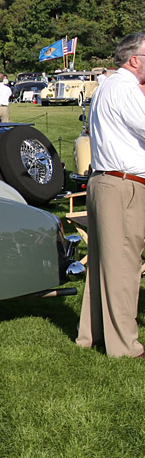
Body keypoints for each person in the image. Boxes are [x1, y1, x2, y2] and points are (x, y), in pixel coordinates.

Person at [77, 32, 145, 359]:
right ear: (135, 59)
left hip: (104, 181)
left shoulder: (105, 85)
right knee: (123, 266)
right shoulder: (125, 89)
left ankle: (93, 336)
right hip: (123, 184)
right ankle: (125, 348)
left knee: (103, 266)